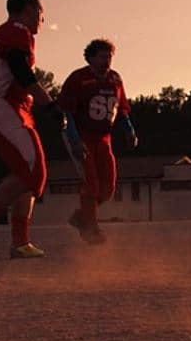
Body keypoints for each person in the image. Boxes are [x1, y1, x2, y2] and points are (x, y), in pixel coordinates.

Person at [0, 0, 64, 259]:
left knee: (28, 175)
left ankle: (20, 241)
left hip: (13, 108)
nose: (42, 21)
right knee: (34, 170)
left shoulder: (4, 33)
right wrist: (50, 104)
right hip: (3, 106)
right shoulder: (17, 30)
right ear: (31, 9)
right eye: (41, 14)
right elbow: (22, 72)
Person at [58, 39, 137, 244]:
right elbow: (67, 113)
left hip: (104, 138)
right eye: (102, 56)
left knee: (108, 187)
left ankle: (82, 217)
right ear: (90, 57)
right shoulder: (78, 79)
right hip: (82, 136)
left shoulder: (115, 79)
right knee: (91, 184)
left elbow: (121, 110)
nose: (107, 61)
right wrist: (75, 139)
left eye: (109, 56)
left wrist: (129, 131)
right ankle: (90, 229)